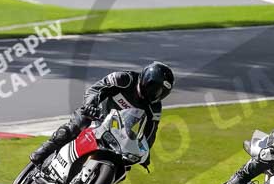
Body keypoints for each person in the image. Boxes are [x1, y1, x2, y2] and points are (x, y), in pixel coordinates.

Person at [30, 62, 175, 165]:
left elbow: (150, 133)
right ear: (145, 80)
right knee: (78, 124)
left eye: (162, 92)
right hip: (95, 115)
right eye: (154, 88)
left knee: (124, 165)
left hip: (119, 132)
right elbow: (95, 89)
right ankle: (44, 150)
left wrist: (145, 153)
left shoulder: (154, 108)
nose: (156, 94)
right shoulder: (124, 79)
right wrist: (90, 106)